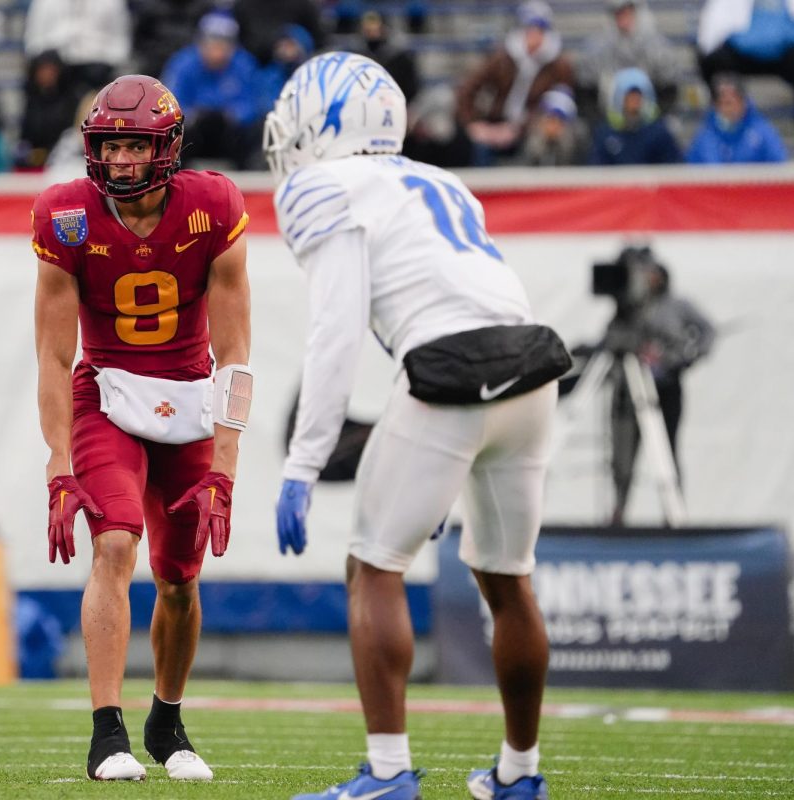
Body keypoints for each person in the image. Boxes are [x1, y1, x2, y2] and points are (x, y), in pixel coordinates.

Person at [264, 52, 568, 800]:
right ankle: (518, 774)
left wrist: (304, 464)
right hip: (531, 365)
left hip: (449, 371)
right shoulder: (441, 179)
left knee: (374, 565)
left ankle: (389, 774)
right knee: (507, 579)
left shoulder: (318, 184)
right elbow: (478, 295)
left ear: (315, 120)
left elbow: (335, 332)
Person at [31, 74, 251, 782]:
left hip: (188, 401)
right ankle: (106, 733)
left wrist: (226, 465)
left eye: (136, 146)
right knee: (116, 545)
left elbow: (235, 356)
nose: (122, 161)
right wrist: (57, 463)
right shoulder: (66, 215)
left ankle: (166, 718)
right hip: (109, 396)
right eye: (112, 146)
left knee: (181, 579)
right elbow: (55, 355)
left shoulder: (213, 207)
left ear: (167, 148)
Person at [610, 257, 715, 525]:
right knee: (623, 454)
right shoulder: (630, 309)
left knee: (667, 451)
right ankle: (619, 511)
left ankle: (673, 513)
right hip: (630, 388)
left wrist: (683, 358)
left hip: (666, 388)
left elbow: (707, 332)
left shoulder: (678, 306)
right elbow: (612, 341)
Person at [456, 1, 575, 165]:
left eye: (539, 30)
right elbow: (468, 87)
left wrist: (521, 127)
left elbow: (560, 104)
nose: (534, 36)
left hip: (532, 128)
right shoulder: (502, 59)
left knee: (537, 146)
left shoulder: (558, 66)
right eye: (530, 29)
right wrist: (474, 123)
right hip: (496, 123)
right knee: (478, 149)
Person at [162, 11, 263, 169]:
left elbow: (252, 104)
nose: (217, 50)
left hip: (230, 134)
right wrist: (195, 116)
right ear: (201, 42)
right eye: (212, 43)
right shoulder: (182, 63)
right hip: (194, 132)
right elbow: (171, 104)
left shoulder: (245, 64)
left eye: (223, 44)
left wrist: (232, 115)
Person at [576, 0, 681, 122]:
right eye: (619, 13)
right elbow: (586, 92)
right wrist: (602, 125)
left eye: (628, 13)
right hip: (608, 120)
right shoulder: (596, 48)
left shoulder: (659, 47)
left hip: (651, 121)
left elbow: (669, 90)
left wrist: (653, 121)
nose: (623, 19)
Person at [686, 72, 789, 163]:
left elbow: (779, 166)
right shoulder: (705, 137)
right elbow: (692, 173)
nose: (729, 109)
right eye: (723, 103)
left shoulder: (763, 132)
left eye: (732, 102)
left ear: (743, 102)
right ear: (715, 106)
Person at [697, 0, 794, 92]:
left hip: (783, 55)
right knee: (714, 61)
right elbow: (712, 29)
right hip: (741, 55)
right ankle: (721, 104)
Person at [590, 67, 682, 165]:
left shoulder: (659, 133)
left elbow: (674, 167)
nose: (634, 101)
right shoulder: (606, 133)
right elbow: (596, 168)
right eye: (629, 96)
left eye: (638, 96)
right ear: (619, 99)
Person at [17, 49, 81, 169]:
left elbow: (72, 134)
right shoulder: (32, 100)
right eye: (43, 70)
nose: (47, 74)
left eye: (51, 70)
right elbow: (26, 135)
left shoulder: (72, 99)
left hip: (64, 161)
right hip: (35, 163)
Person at [521, 86, 590, 166]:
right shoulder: (531, 139)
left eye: (558, 121)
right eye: (549, 119)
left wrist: (561, 144)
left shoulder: (578, 144)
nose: (552, 125)